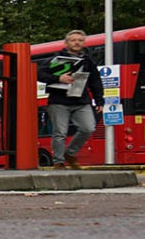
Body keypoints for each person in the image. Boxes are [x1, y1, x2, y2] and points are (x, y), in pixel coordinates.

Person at [40, 29, 103, 169]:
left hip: (81, 100)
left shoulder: (88, 61)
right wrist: (58, 78)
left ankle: (70, 153)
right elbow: (39, 74)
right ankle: (59, 161)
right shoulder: (54, 59)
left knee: (88, 127)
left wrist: (99, 100)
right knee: (60, 132)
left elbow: (96, 81)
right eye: (73, 40)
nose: (77, 43)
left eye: (80, 40)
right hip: (58, 100)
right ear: (66, 42)